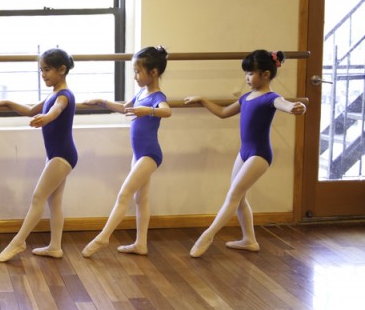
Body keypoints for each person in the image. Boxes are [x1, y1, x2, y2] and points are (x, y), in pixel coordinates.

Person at [185, 50, 306, 258]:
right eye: (246, 73)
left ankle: (208, 235)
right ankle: (249, 240)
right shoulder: (246, 98)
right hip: (244, 153)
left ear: (266, 74)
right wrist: (203, 99)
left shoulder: (271, 98)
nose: (247, 78)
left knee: (233, 195)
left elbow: (285, 104)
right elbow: (223, 113)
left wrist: (297, 106)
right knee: (239, 198)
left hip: (260, 155)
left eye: (250, 73)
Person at [82, 46, 171, 257]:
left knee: (124, 194)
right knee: (141, 199)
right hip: (138, 154)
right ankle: (141, 244)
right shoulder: (141, 93)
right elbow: (124, 109)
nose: (135, 76)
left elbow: (167, 111)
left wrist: (147, 111)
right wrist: (102, 101)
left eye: (138, 72)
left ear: (153, 72)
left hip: (150, 154)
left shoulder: (157, 96)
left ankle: (103, 236)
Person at [0, 48, 77, 262]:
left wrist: (46, 118)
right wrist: (8, 102)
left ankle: (19, 241)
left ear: (62, 70)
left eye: (47, 70)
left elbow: (56, 110)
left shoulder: (64, 95)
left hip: (62, 155)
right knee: (54, 202)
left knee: (38, 197)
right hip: (57, 155)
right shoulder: (53, 94)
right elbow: (30, 110)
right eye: (41, 70)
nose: (43, 74)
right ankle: (55, 247)